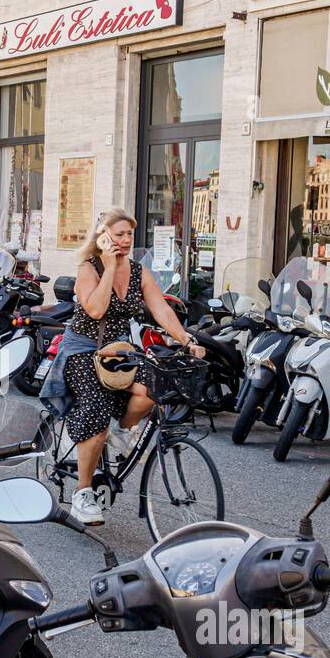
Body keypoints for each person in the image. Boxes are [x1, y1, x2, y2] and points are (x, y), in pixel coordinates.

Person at [40, 208, 206, 526]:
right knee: (97, 407)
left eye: (130, 234)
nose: (126, 240)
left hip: (118, 352)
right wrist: (110, 264)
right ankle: (83, 492)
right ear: (103, 236)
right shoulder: (89, 268)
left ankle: (118, 431)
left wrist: (185, 339)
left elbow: (161, 310)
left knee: (153, 389)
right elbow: (96, 308)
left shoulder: (140, 272)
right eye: (119, 234)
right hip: (83, 351)